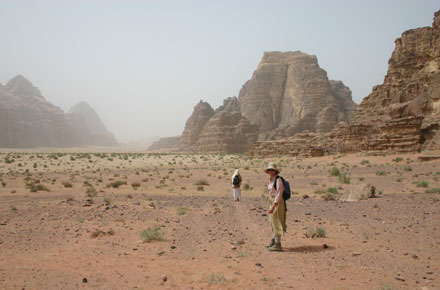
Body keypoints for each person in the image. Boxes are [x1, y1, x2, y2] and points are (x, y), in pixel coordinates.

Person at [265, 163, 286, 252]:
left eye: (272, 170)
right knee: (272, 222)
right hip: (272, 202)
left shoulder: (278, 180)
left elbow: (279, 193)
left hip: (277, 203)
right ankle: (274, 241)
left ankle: (278, 244)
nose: (270, 171)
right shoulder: (271, 179)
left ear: (275, 171)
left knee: (277, 222)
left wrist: (274, 205)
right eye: (269, 170)